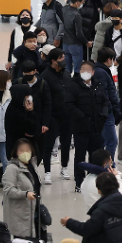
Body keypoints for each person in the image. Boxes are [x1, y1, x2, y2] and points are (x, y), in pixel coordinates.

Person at [65, 61, 109, 191]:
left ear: (93, 72)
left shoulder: (98, 85)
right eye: (82, 69)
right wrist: (82, 117)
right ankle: (79, 182)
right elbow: (68, 105)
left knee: (97, 156)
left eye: (87, 70)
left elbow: (105, 102)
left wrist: (103, 116)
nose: (84, 73)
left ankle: (96, 181)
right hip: (81, 128)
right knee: (80, 156)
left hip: (97, 128)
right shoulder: (73, 86)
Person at [13, 60, 52, 180]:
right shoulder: (18, 83)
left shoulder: (42, 84)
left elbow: (47, 104)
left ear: (35, 71)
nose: (27, 75)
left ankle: (34, 168)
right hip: (23, 122)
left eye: (30, 72)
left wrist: (45, 123)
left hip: (38, 122)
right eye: (25, 73)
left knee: (39, 150)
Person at [40, 48, 72, 180]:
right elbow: (43, 99)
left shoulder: (67, 74)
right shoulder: (45, 76)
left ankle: (64, 168)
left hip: (67, 114)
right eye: (60, 58)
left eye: (63, 57)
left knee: (66, 143)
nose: (63, 60)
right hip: (52, 115)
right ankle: (47, 172)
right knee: (48, 144)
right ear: (53, 61)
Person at [2, 138, 41, 239]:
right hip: (19, 215)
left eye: (27, 150)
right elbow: (8, 190)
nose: (25, 153)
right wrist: (25, 194)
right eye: (21, 150)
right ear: (16, 152)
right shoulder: (12, 168)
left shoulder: (32, 166)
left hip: (33, 211)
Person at [93, 47, 121, 165]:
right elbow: (105, 93)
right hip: (105, 112)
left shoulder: (99, 70)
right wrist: (112, 108)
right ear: (109, 59)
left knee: (104, 140)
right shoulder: (101, 72)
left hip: (103, 111)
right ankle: (109, 165)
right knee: (111, 140)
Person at [62, 0, 92, 74]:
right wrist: (86, 42)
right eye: (82, 2)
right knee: (77, 69)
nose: (83, 4)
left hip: (65, 43)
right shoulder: (76, 15)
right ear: (77, 3)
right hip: (75, 45)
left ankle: (67, 83)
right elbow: (79, 33)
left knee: (67, 69)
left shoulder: (63, 9)